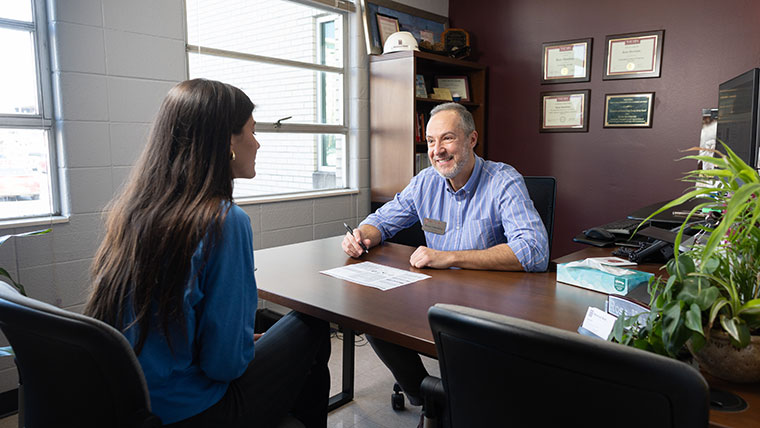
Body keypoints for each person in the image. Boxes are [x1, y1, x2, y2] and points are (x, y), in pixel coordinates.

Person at [85, 79, 330, 428]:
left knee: (268, 330)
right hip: (195, 411)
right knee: (313, 322)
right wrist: (243, 346)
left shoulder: (133, 210)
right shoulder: (225, 221)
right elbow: (225, 366)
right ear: (228, 141)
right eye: (252, 131)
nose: (257, 143)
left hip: (133, 401)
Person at [341, 102, 549, 408]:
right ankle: (426, 395)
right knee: (373, 316)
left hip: (490, 306)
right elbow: (382, 220)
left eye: (448, 138)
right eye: (431, 141)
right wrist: (361, 235)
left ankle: (463, 402)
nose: (438, 150)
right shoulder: (426, 181)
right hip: (435, 298)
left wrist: (449, 257)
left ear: (472, 139)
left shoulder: (504, 181)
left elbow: (534, 250)